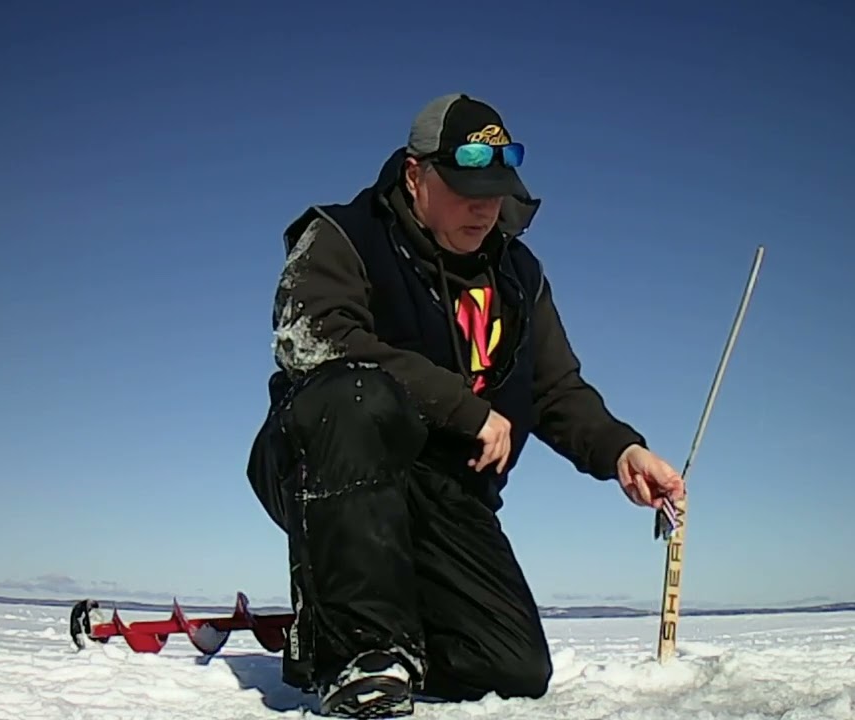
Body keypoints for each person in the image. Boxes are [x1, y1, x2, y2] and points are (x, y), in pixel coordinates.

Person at [245, 93, 686, 718]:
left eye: (497, 188)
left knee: (513, 668)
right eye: (464, 186)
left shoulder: (517, 276)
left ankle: (374, 631)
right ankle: (359, 654)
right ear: (415, 175)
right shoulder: (344, 235)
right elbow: (315, 338)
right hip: (328, 463)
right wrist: (463, 408)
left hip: (442, 492)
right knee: (356, 390)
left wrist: (622, 450)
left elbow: (555, 388)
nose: (486, 205)